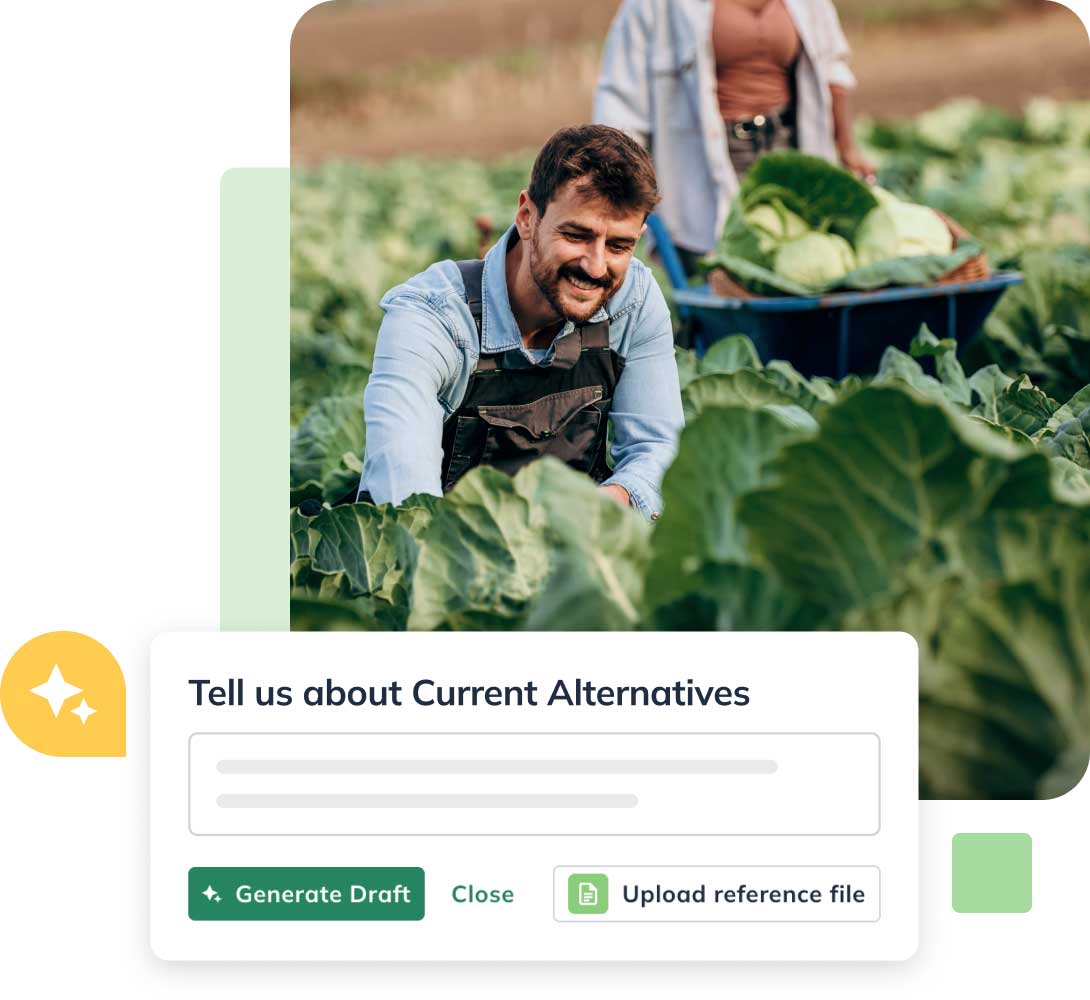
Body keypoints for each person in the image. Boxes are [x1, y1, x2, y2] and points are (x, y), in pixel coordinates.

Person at [357, 125, 684, 521]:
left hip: (576, 552)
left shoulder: (634, 301)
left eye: (619, 245)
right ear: (527, 217)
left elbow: (659, 448)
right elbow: (403, 485)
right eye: (577, 235)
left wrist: (607, 505)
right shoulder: (433, 318)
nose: (597, 266)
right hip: (447, 561)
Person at [594, 0, 876, 271]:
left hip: (790, 154)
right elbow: (620, 101)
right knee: (721, 265)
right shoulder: (657, 5)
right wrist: (622, 181)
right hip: (709, 161)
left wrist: (847, 148)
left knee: (796, 260)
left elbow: (832, 69)